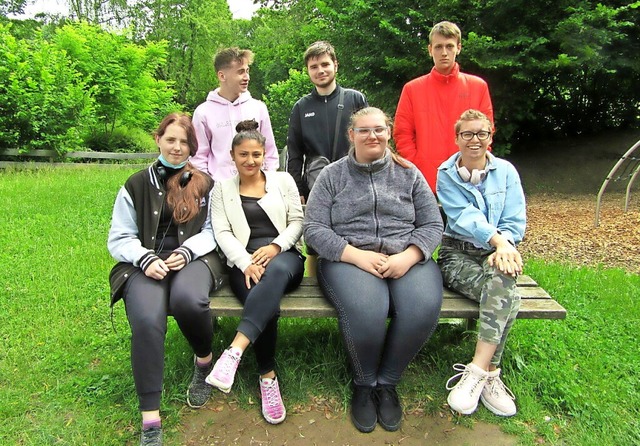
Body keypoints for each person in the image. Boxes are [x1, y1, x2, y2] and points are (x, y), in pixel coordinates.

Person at [304, 107, 444, 433]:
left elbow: (432, 223)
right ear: (351, 135)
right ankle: (364, 383)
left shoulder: (409, 174)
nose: (372, 136)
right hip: (349, 259)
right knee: (369, 309)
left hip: (405, 256)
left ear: (389, 133)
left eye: (379, 129)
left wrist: (408, 257)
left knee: (421, 307)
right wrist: (354, 255)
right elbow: (313, 228)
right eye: (364, 130)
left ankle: (388, 381)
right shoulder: (332, 176)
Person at [107, 113, 226, 446]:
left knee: (188, 301)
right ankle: (150, 419)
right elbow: (119, 236)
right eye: (170, 139)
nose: (177, 147)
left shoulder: (205, 182)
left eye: (184, 141)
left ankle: (204, 360)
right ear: (157, 139)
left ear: (193, 146)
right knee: (147, 319)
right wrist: (145, 258)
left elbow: (213, 231)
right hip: (144, 263)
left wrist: (188, 252)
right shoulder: (135, 184)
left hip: (195, 258)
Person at [206, 120, 305, 425]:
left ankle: (234, 351)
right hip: (243, 261)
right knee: (264, 302)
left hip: (285, 256)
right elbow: (222, 232)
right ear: (232, 157)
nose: (250, 161)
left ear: (265, 155)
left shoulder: (284, 181)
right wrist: (245, 262)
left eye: (256, 154)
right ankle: (268, 377)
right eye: (244, 155)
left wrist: (275, 247)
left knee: (272, 277)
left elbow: (297, 222)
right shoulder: (221, 189)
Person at [436, 109, 526, 417]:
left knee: (502, 281)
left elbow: (515, 218)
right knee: (507, 295)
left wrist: (505, 246)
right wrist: (499, 241)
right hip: (456, 254)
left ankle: (478, 372)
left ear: (491, 136)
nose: (475, 140)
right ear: (457, 138)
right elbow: (464, 217)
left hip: (498, 251)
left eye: (481, 134)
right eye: (468, 134)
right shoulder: (445, 173)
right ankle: (492, 371)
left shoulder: (507, 172)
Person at [394, 21, 494, 192]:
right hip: (426, 181)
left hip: (468, 177)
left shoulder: (478, 86)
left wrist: (477, 163)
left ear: (459, 48)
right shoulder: (412, 89)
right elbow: (402, 134)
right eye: (438, 47)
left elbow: (487, 132)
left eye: (449, 46)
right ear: (430, 49)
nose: (444, 53)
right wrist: (417, 166)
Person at [286, 40, 368, 203]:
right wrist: (297, 190)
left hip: (356, 185)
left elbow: (369, 141)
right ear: (308, 71)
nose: (320, 70)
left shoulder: (355, 99)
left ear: (335, 65)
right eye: (314, 67)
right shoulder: (301, 107)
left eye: (325, 64)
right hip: (316, 188)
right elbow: (294, 155)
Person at [191, 47, 279, 181]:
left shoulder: (259, 108)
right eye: (240, 72)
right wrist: (210, 186)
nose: (247, 77)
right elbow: (199, 158)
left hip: (256, 190)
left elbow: (270, 152)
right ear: (222, 76)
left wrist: (267, 182)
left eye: (247, 71)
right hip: (218, 189)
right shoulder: (203, 112)